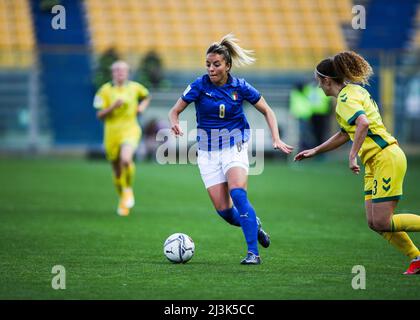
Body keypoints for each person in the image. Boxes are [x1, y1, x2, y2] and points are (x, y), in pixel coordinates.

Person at [168, 34, 293, 265]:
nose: (211, 69)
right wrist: (174, 122)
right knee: (225, 212)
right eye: (208, 64)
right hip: (206, 151)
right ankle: (255, 226)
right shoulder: (198, 85)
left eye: (216, 64)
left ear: (227, 65)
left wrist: (276, 138)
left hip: (234, 144)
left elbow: (268, 110)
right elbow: (174, 110)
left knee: (238, 193)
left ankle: (253, 253)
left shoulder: (240, 86)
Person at [294, 51, 420, 275]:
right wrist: (316, 150)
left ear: (327, 80)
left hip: (385, 157)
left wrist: (352, 156)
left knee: (382, 221)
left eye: (318, 82)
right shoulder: (354, 92)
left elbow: (362, 124)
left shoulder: (344, 100)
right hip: (376, 161)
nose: (318, 87)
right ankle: (416, 258)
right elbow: (346, 133)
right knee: (374, 222)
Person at [93, 60, 151, 216]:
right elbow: (99, 114)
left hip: (130, 129)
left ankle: (128, 189)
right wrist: (112, 107)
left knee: (126, 159)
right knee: (117, 171)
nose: (120, 73)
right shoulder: (104, 91)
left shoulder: (135, 87)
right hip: (111, 133)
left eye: (123, 70)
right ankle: (123, 198)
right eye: (117, 70)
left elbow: (146, 96)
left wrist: (141, 107)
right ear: (112, 73)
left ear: (127, 73)